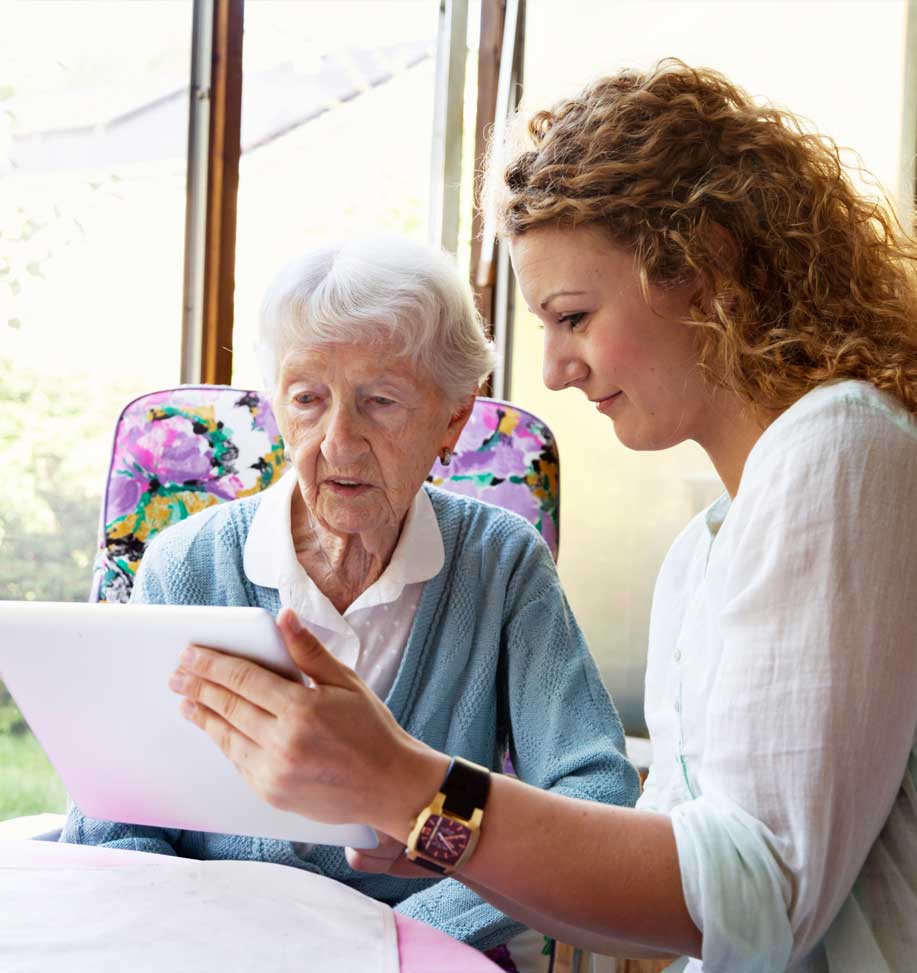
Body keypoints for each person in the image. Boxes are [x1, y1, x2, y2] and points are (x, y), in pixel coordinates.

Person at [165, 61, 917, 972]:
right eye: (307, 397)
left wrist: (409, 786)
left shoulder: (836, 449)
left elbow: (763, 898)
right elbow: (651, 901)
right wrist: (433, 823)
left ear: (702, 267)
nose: (554, 370)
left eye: (572, 315)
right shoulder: (704, 551)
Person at [60, 236, 641, 961]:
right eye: (307, 399)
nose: (338, 442)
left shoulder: (501, 563)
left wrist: (412, 932)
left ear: (453, 420)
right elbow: (116, 808)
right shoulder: (186, 563)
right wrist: (198, 937)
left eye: (381, 401)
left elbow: (594, 791)